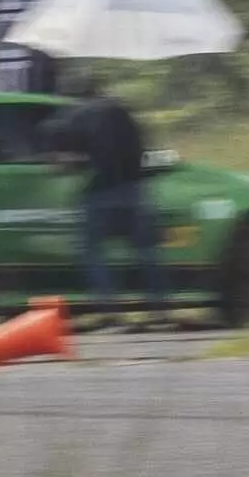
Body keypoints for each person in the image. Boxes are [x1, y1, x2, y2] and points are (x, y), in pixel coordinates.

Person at [47, 75, 169, 327]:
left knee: (91, 251)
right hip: (135, 190)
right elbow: (144, 148)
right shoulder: (122, 111)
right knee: (147, 251)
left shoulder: (76, 116)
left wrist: (64, 165)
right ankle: (159, 308)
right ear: (98, 89)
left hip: (101, 193)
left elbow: (65, 160)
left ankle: (110, 308)